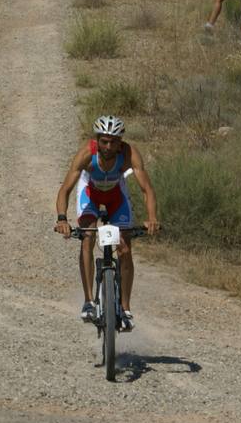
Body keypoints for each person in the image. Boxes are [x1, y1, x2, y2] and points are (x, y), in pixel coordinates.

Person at [54, 116, 161, 330]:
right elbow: (65, 189)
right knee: (87, 237)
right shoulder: (86, 154)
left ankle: (125, 309)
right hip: (90, 194)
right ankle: (88, 302)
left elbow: (146, 189)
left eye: (113, 141)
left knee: (124, 247)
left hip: (115, 197)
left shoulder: (129, 154)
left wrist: (152, 218)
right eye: (104, 141)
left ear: (120, 141)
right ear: (97, 140)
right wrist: (62, 219)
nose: (109, 146)